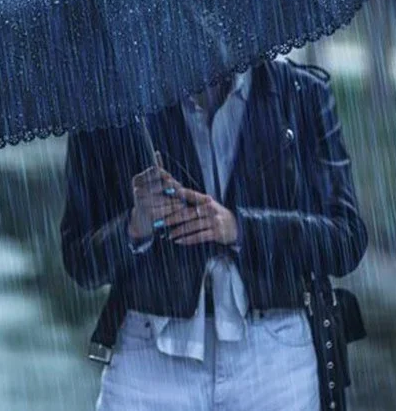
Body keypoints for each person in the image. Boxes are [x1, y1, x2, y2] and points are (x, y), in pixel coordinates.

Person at [61, 58, 367, 411]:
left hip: (274, 357)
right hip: (149, 355)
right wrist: (135, 226)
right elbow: (80, 261)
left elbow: (346, 240)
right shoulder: (111, 107)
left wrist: (241, 228)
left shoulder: (301, 93)